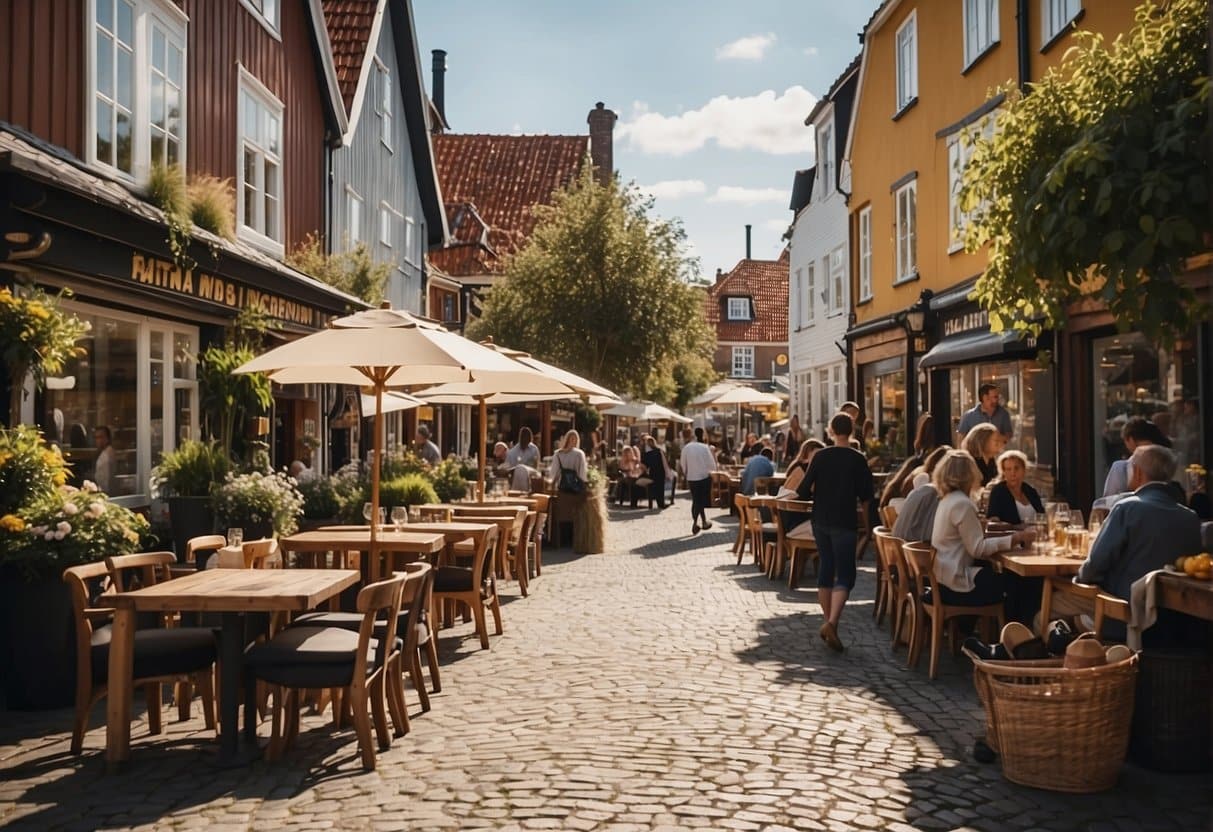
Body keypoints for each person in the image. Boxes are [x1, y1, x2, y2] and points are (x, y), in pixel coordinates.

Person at [1053, 446, 1202, 627]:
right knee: (1074, 618)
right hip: (1177, 624)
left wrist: (1076, 582)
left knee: (1048, 607)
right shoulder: (1191, 517)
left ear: (1138, 472)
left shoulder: (1127, 508)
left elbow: (1094, 567)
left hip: (1124, 616)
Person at [795, 412, 875, 652]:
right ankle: (832, 623)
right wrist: (869, 528)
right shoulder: (858, 459)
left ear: (830, 430)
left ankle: (829, 623)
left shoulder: (819, 456)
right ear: (852, 431)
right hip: (845, 520)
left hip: (820, 519)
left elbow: (803, 490)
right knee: (846, 574)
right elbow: (867, 497)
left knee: (826, 567)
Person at [930, 450, 1033, 608]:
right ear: (969, 475)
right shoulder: (962, 503)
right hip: (956, 583)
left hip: (944, 577)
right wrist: (1017, 538)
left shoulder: (948, 499)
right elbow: (978, 549)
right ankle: (1018, 628)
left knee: (1007, 578)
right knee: (1018, 582)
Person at [1102, 417, 1169, 498]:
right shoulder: (1168, 460)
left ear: (1130, 439)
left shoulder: (1121, 468)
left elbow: (1108, 501)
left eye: (1125, 441)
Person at [986, 450, 1045, 527]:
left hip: (1036, 536)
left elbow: (1043, 517)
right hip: (1012, 537)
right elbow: (993, 522)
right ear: (1003, 472)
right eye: (1008, 469)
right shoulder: (998, 492)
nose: (1013, 473)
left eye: (1016, 468)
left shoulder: (1031, 491)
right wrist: (1016, 528)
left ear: (1024, 470)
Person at [678, 427, 717, 534]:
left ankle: (701, 521)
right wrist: (712, 472)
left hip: (692, 477)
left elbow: (682, 463)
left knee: (696, 499)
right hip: (704, 477)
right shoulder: (705, 447)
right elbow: (711, 464)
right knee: (700, 500)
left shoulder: (687, 448)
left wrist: (686, 473)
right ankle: (697, 522)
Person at [962, 422, 1006, 487]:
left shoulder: (992, 461)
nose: (1000, 444)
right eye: (996, 441)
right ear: (982, 441)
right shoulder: (969, 462)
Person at [640, 435, 669, 510]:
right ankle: (661, 504)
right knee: (660, 488)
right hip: (660, 472)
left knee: (654, 488)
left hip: (653, 473)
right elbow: (665, 462)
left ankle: (653, 503)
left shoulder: (646, 454)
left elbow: (644, 465)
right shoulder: (659, 451)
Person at [93, 426, 115, 493]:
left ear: (107, 438)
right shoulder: (104, 453)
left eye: (100, 437)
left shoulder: (107, 455)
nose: (98, 440)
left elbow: (106, 480)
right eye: (96, 438)